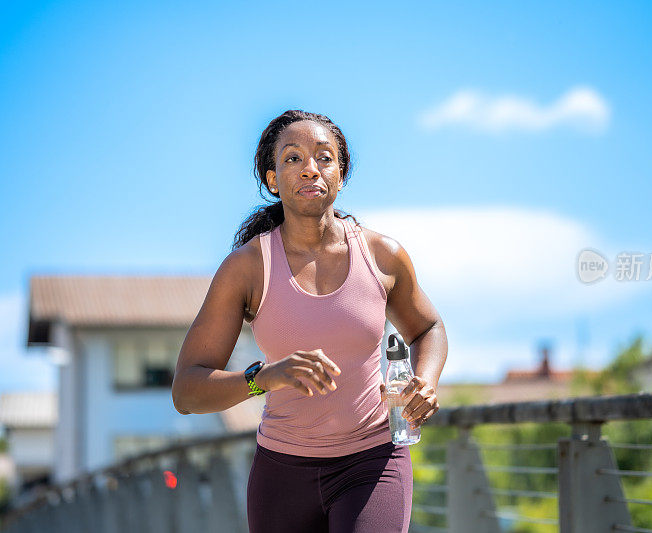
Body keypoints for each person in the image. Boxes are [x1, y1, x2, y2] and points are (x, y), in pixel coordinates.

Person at [171, 109, 448, 533]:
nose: (310, 169)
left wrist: (425, 380)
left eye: (324, 157)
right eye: (293, 158)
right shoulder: (246, 269)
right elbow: (187, 391)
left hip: (373, 461)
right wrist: (265, 377)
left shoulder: (382, 256)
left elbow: (428, 329)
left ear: (341, 174)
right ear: (272, 179)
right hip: (282, 474)